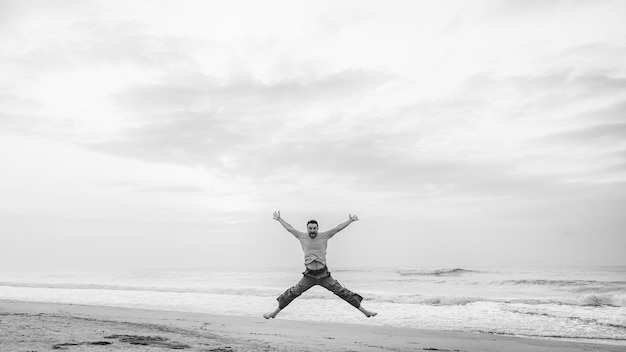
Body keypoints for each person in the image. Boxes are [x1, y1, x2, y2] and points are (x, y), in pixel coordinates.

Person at [264, 211, 377, 319]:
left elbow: (338, 228)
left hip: (324, 275)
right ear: (307, 229)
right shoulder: (301, 236)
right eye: (310, 228)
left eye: (314, 228)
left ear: (317, 228)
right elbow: (289, 228)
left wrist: (350, 220)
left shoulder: (324, 235)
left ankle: (365, 312)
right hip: (309, 276)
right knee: (293, 292)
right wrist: (279, 219)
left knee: (342, 292)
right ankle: (274, 313)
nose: (312, 230)